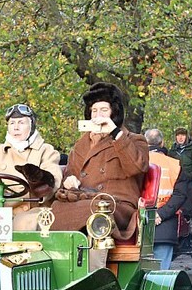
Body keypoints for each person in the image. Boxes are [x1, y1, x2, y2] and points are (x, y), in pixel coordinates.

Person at [50, 82, 149, 243]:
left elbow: (137, 167)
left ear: (114, 113)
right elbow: (70, 175)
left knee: (96, 213)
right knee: (52, 212)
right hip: (83, 199)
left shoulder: (134, 140)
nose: (98, 116)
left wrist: (116, 133)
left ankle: (95, 267)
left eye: (104, 110)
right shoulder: (80, 145)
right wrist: (69, 182)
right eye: (94, 111)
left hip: (117, 204)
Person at [0, 103, 62, 232]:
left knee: (25, 225)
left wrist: (40, 179)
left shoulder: (46, 150)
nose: (16, 128)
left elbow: (53, 177)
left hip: (32, 208)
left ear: (31, 125)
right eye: (12, 123)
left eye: (21, 123)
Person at [146, 129, 192, 269]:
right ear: (162, 143)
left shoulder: (135, 162)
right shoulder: (174, 165)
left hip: (136, 226)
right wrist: (160, 214)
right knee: (161, 274)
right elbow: (180, 195)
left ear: (144, 142)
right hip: (164, 226)